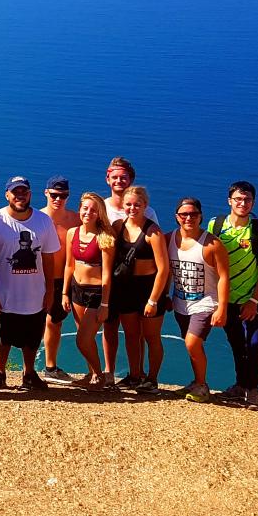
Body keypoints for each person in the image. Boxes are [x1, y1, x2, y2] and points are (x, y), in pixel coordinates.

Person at [0, 176, 60, 391]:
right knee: (3, 336)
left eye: (23, 192)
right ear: (7, 194)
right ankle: (0, 373)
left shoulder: (44, 221)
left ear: (30, 194)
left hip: (36, 294)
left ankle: (29, 374)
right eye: (15, 192)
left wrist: (50, 291)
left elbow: (48, 258)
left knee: (33, 337)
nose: (20, 196)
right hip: (6, 294)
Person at [207, 181, 258, 408]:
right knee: (236, 344)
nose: (242, 203)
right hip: (226, 299)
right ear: (229, 201)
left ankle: (252, 390)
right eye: (238, 199)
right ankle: (240, 385)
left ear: (253, 202)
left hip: (252, 300)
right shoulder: (215, 226)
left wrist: (253, 300)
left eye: (247, 200)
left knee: (254, 346)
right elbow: (208, 258)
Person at [102, 156, 160, 382]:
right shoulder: (102, 207)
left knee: (135, 330)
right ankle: (108, 371)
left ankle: (137, 373)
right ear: (108, 178)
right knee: (109, 326)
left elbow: (155, 247)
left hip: (137, 281)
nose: (119, 181)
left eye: (123, 177)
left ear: (131, 180)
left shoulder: (148, 213)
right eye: (114, 177)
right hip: (109, 277)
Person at [168, 197, 230, 403]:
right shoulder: (169, 239)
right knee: (190, 346)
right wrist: (164, 296)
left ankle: (202, 386)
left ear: (200, 216)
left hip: (205, 303)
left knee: (192, 342)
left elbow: (223, 277)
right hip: (180, 303)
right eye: (184, 214)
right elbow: (165, 270)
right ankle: (196, 381)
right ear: (177, 217)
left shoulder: (212, 244)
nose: (188, 218)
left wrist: (222, 308)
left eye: (193, 214)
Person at [109, 186, 171, 393]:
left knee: (152, 336)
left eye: (137, 204)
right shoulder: (119, 226)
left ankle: (152, 379)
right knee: (131, 335)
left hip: (149, 289)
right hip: (126, 289)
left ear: (145, 206)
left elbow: (163, 269)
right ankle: (135, 375)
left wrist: (153, 300)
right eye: (128, 204)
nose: (132, 208)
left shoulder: (153, 232)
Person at [61, 192, 115, 389]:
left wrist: (105, 304)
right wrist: (65, 293)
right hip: (77, 290)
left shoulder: (105, 238)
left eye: (93, 210)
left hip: (96, 293)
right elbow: (69, 265)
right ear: (79, 209)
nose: (88, 213)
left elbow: (107, 274)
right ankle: (91, 373)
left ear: (100, 214)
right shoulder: (72, 233)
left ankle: (100, 376)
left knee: (82, 340)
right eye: (85, 208)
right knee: (87, 339)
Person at [40, 175, 80, 384]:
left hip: (70, 280)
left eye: (62, 196)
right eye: (54, 195)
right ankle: (33, 368)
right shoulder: (36, 218)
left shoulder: (76, 219)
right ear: (46, 193)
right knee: (38, 322)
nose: (58, 199)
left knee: (56, 323)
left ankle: (50, 367)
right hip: (40, 279)